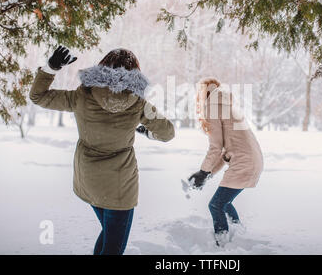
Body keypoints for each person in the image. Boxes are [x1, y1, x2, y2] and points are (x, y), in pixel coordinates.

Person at [29, 46, 174, 255]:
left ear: (103, 66)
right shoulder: (139, 104)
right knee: (113, 247)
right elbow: (168, 133)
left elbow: (38, 97)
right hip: (120, 188)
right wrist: (147, 133)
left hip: (88, 181)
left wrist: (51, 68)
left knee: (109, 236)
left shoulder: (82, 96)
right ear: (134, 72)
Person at [188, 77, 263, 247]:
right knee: (224, 203)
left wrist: (203, 172)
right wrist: (207, 174)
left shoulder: (212, 107)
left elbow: (216, 147)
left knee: (216, 205)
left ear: (204, 93)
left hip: (243, 162)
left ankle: (222, 243)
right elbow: (224, 152)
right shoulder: (227, 106)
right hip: (253, 160)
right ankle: (238, 234)